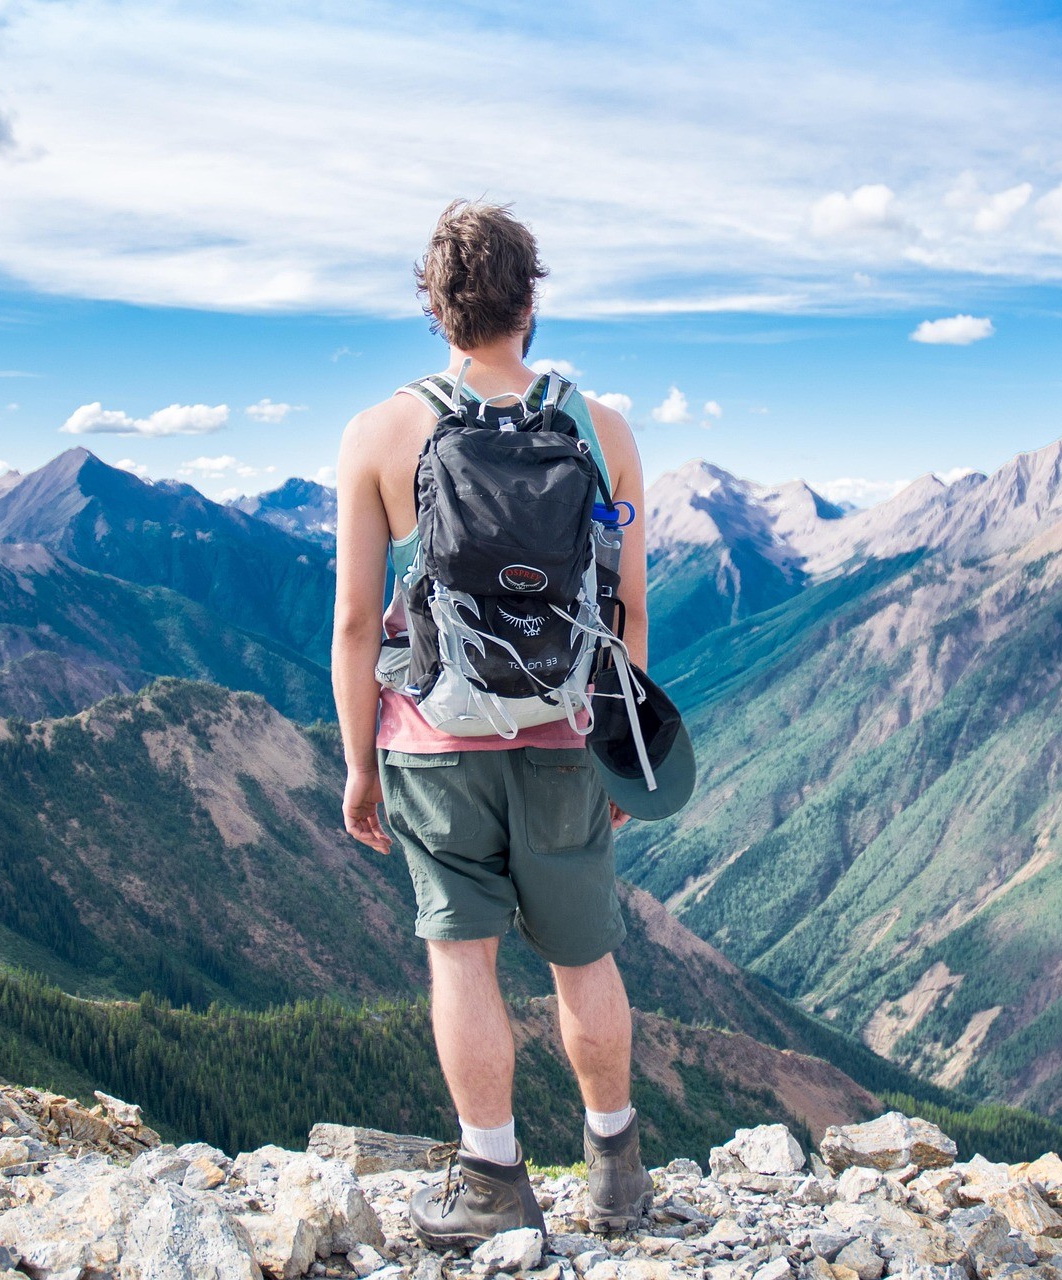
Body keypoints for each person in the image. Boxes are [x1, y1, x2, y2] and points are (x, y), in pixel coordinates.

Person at [331, 200, 652, 1246]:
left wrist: (358, 766)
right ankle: (616, 1175)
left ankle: (490, 1180)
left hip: (430, 739)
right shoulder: (600, 430)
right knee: (584, 955)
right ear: (529, 295)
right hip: (565, 732)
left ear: (434, 306)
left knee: (461, 960)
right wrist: (624, 749)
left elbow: (349, 620)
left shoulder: (379, 432)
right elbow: (626, 609)